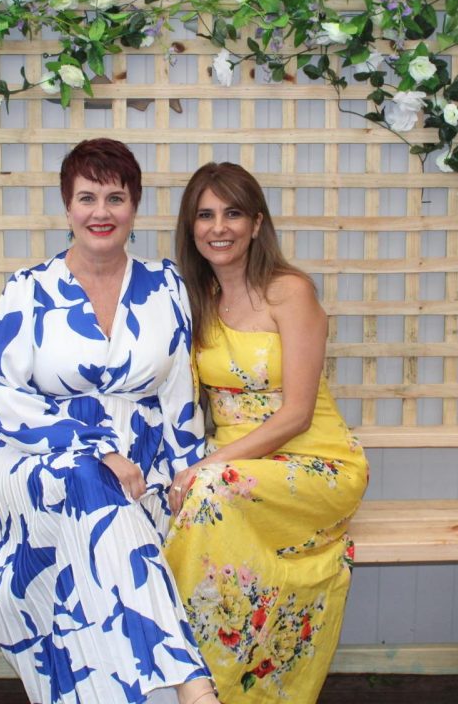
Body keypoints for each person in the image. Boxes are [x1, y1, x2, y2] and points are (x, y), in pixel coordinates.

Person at [0, 138, 219, 704]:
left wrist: (187, 471)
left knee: (108, 516)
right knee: (93, 483)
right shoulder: (27, 289)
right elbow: (3, 397)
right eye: (86, 198)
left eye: (115, 197)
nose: (100, 212)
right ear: (66, 206)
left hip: (142, 464)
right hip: (35, 459)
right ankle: (193, 686)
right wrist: (97, 448)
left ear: (135, 206)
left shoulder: (164, 285)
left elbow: (180, 390)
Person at [163, 162, 369, 703]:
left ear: (257, 223)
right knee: (162, 515)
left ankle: (196, 685)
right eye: (204, 215)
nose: (218, 227)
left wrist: (206, 466)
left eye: (232, 213)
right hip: (239, 472)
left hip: (317, 464)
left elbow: (297, 414)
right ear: (191, 228)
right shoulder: (194, 301)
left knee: (206, 492)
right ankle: (195, 677)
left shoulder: (289, 292)